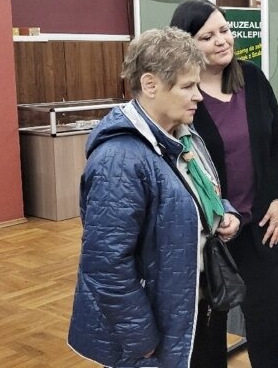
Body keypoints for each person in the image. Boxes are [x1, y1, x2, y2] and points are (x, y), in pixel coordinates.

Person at [68, 27, 241, 367]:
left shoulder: (184, 136)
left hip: (192, 309)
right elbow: (106, 266)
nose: (199, 96)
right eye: (187, 86)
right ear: (150, 85)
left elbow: (199, 194)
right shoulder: (118, 159)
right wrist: (142, 339)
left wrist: (224, 212)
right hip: (154, 334)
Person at [171, 0, 278, 367]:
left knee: (266, 320)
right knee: (210, 326)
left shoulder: (252, 78)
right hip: (211, 234)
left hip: (258, 225)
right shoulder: (182, 94)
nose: (221, 41)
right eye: (207, 36)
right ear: (186, 44)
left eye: (224, 30)